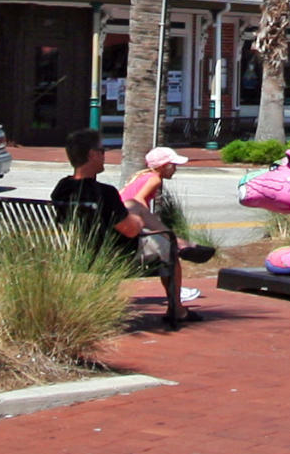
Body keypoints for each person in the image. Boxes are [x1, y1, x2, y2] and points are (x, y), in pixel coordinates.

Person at [50, 132, 215, 322]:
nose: (105, 155)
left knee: (135, 206)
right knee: (167, 246)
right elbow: (131, 230)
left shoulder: (61, 188)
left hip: (81, 251)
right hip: (117, 255)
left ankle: (180, 242)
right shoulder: (104, 193)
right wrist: (137, 218)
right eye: (102, 151)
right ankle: (177, 309)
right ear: (92, 154)